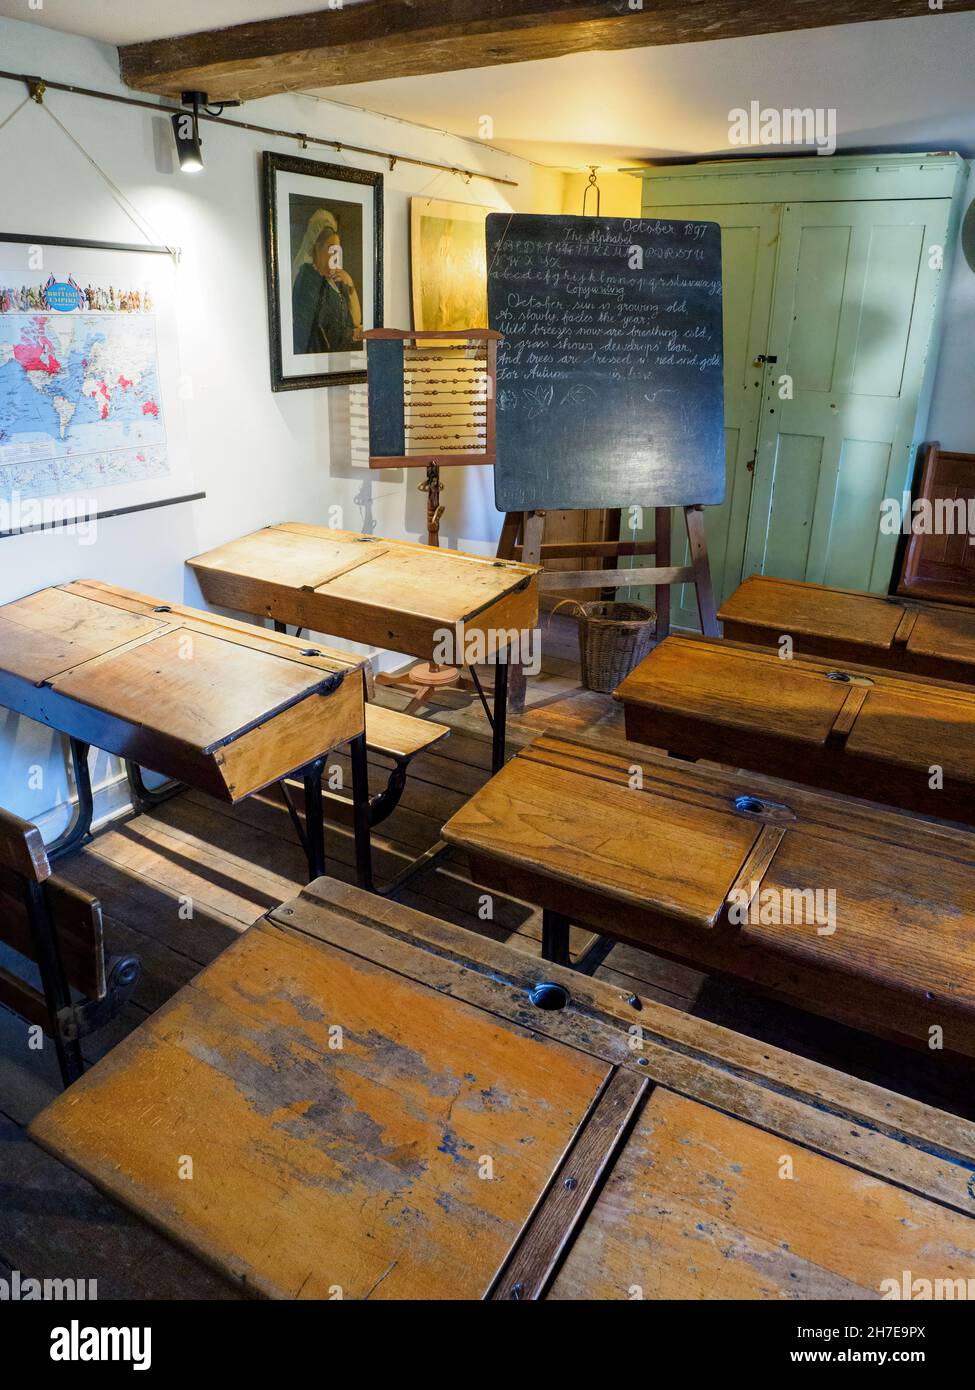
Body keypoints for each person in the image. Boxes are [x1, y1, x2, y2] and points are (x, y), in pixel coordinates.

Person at [291, 208, 362, 354]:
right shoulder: (307, 279)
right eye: (330, 250)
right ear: (316, 249)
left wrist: (350, 285)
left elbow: (356, 321)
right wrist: (352, 334)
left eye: (337, 251)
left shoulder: (335, 281)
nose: (334, 256)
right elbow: (320, 332)